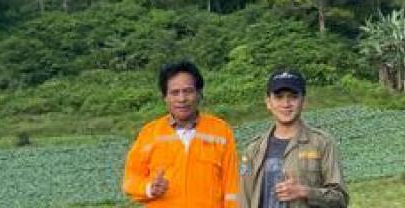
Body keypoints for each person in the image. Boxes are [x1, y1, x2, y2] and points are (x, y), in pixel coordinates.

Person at [123, 60, 239, 207]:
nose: (182, 99)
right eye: (174, 93)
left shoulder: (221, 130)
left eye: (188, 91)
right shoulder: (149, 133)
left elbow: (232, 185)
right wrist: (149, 188)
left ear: (199, 93)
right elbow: (130, 180)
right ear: (165, 97)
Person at [239, 69, 348, 208]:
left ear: (304, 101)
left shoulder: (322, 143)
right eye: (279, 97)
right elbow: (242, 199)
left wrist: (305, 192)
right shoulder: (252, 149)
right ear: (268, 102)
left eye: (293, 97)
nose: (286, 104)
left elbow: (340, 200)